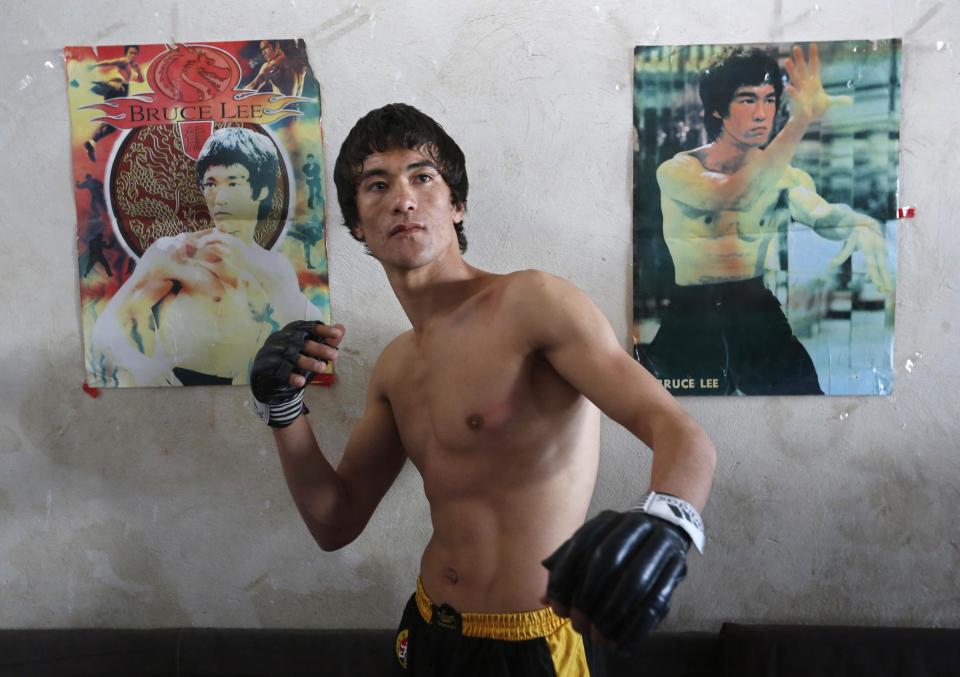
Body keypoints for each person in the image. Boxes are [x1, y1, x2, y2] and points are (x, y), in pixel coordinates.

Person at [250, 104, 716, 675]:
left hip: (531, 643)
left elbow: (681, 433)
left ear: (457, 204)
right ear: (357, 225)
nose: (403, 199)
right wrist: (283, 409)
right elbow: (334, 523)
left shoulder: (533, 304)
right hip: (426, 631)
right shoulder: (396, 366)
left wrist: (668, 522)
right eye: (377, 185)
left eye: (423, 177)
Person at [643, 44, 891, 396]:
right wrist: (801, 119)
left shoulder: (786, 176)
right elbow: (732, 195)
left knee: (805, 400)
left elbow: (821, 214)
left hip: (755, 307)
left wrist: (858, 222)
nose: (762, 113)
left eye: (770, 99)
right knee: (679, 414)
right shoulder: (679, 170)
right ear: (717, 109)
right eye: (747, 100)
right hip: (692, 314)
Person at [90, 126, 322, 386]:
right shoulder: (175, 252)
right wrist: (148, 372)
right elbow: (105, 332)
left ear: (262, 191)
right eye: (211, 184)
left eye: (234, 183)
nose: (219, 198)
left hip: (247, 396)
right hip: (171, 392)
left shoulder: (275, 268)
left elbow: (309, 335)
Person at [84, 45, 143, 162]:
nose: (132, 55)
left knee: (112, 126)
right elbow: (109, 62)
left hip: (119, 95)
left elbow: (141, 80)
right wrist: (95, 65)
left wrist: (138, 70)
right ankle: (106, 85)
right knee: (112, 121)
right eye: (130, 53)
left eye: (134, 53)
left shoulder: (131, 68)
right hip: (115, 90)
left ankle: (92, 143)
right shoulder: (124, 61)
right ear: (126, 53)